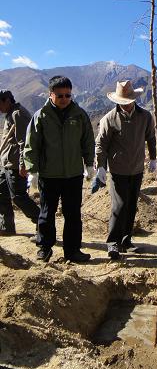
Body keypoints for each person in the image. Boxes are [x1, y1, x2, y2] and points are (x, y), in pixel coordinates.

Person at [24, 76, 95, 262]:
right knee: (47, 213)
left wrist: (89, 163)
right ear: (51, 94)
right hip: (49, 174)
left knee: (73, 214)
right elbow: (31, 145)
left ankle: (72, 251)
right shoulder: (41, 116)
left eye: (68, 95)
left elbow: (87, 141)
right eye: (60, 95)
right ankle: (44, 248)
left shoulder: (79, 115)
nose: (64, 99)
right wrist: (33, 171)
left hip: (73, 174)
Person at [95, 80, 156, 260]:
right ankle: (112, 242)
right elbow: (101, 144)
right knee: (119, 206)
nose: (126, 104)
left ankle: (126, 240)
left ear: (133, 99)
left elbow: (151, 137)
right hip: (117, 170)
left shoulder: (145, 116)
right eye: (123, 101)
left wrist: (153, 158)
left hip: (137, 169)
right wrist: (100, 166)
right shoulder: (109, 119)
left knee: (131, 206)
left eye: (128, 100)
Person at [0, 90, 40, 235]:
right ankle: (6, 226)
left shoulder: (18, 114)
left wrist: (24, 164)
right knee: (1, 192)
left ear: (6, 101)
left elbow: (25, 142)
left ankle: (42, 223)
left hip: (16, 164)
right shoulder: (10, 114)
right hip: (8, 162)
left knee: (18, 196)